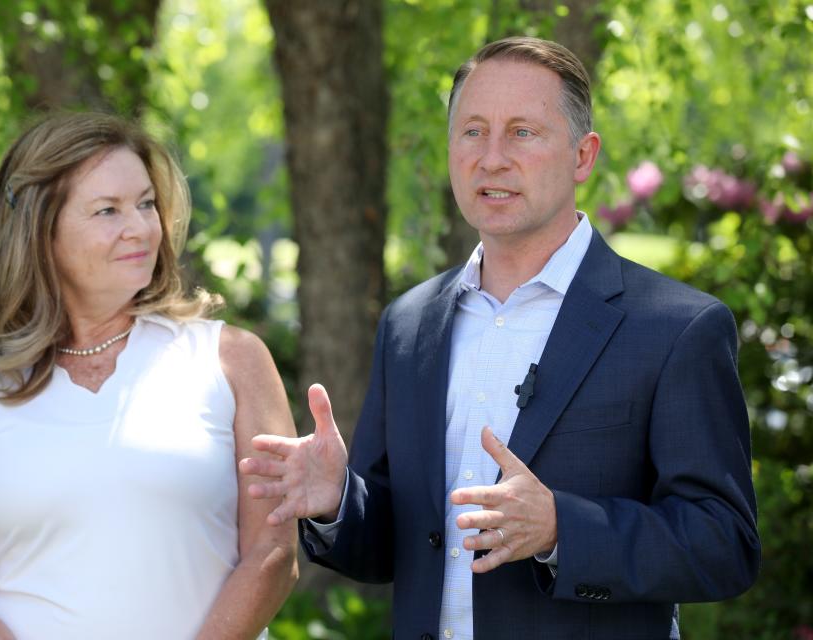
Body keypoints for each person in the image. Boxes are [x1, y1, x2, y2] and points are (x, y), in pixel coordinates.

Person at [239, 37, 760, 639]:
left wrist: (562, 528)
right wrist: (337, 501)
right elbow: (394, 546)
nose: (491, 159)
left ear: (582, 157)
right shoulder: (409, 324)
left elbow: (724, 544)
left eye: (522, 133)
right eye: (473, 132)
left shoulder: (675, 327)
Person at [0, 111, 298, 639]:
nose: (140, 227)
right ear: (41, 231)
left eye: (145, 204)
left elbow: (272, 553)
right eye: (107, 210)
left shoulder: (233, 361)